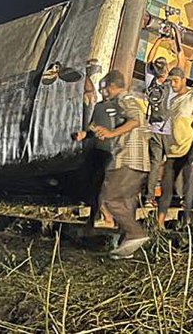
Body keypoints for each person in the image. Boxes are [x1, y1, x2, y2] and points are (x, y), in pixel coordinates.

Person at [73, 69, 151, 257]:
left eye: (104, 88)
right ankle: (127, 246)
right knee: (126, 201)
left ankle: (135, 233)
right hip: (139, 162)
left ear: (112, 86)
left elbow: (136, 120)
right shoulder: (113, 106)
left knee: (109, 198)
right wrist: (89, 133)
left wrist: (112, 133)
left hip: (127, 158)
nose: (102, 92)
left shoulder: (125, 99)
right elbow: (104, 126)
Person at [157, 67, 193, 225]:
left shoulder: (192, 98)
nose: (173, 84)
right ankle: (159, 223)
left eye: (176, 81)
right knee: (166, 186)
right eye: (170, 81)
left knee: (189, 182)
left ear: (184, 80)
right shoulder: (171, 101)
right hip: (172, 150)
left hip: (188, 146)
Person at [144, 27, 187, 208]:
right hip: (169, 130)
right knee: (174, 161)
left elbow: (149, 60)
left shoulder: (150, 83)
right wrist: (176, 37)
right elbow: (182, 59)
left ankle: (149, 198)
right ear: (167, 70)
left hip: (153, 128)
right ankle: (179, 196)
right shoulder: (172, 83)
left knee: (155, 164)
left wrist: (158, 40)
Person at [73, 60, 114, 229]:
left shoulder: (118, 107)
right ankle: (96, 217)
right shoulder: (99, 106)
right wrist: (85, 134)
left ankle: (103, 217)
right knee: (94, 184)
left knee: (100, 186)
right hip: (97, 150)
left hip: (109, 151)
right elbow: (93, 127)